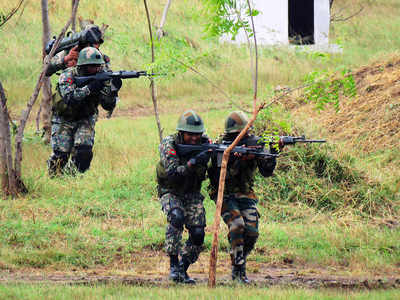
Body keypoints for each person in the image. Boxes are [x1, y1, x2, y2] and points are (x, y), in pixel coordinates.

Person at [207, 111, 281, 284]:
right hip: (224, 194)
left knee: (252, 232)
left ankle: (237, 261)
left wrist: (274, 151)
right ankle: (239, 270)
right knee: (237, 225)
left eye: (246, 134)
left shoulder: (255, 144)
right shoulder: (221, 147)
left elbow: (267, 171)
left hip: (245, 194)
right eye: (240, 135)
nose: (245, 137)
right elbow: (218, 177)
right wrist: (236, 160)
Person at [47, 46, 121, 176]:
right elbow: (70, 98)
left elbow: (107, 106)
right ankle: (54, 177)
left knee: (84, 152)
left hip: (86, 117)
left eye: (98, 66)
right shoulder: (67, 75)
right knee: (61, 155)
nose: (96, 69)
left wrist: (113, 90)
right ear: (82, 66)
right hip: (63, 118)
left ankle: (72, 177)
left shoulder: (102, 77)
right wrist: (90, 88)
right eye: (92, 66)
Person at [156, 110, 212, 284]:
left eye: (197, 135)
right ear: (181, 133)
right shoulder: (169, 144)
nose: (195, 139)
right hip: (171, 190)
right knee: (176, 217)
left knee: (198, 233)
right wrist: (193, 162)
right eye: (190, 135)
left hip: (192, 193)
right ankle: (173, 265)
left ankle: (183, 267)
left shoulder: (206, 144)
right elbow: (173, 174)